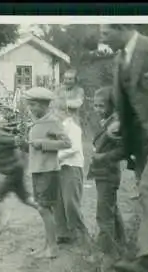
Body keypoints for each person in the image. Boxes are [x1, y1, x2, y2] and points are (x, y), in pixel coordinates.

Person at [100, 23, 148, 272]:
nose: (102, 38)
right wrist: (117, 122)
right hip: (140, 144)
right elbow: (125, 102)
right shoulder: (119, 60)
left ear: (122, 27)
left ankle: (144, 260)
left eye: (106, 33)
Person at [23, 87, 72, 259]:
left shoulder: (53, 121)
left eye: (33, 105)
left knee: (44, 208)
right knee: (45, 209)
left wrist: (43, 143)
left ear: (44, 105)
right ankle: (46, 246)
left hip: (48, 171)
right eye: (29, 105)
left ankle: (53, 247)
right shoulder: (38, 122)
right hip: (38, 170)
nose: (30, 109)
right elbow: (33, 146)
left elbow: (67, 143)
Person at [0, 111, 39, 239]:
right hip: (13, 171)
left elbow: (20, 144)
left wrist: (32, 149)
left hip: (12, 172)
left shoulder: (4, 138)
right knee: (25, 198)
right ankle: (46, 209)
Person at [87, 87, 127, 259]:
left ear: (112, 105)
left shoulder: (115, 125)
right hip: (103, 173)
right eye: (95, 105)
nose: (97, 110)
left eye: (101, 106)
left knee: (103, 214)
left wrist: (101, 157)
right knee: (111, 208)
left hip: (108, 173)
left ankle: (105, 252)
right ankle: (121, 243)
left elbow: (123, 150)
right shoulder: (107, 122)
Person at [51, 91, 90, 247]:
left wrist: (55, 156)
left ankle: (81, 233)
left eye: (55, 111)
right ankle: (63, 233)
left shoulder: (72, 127)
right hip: (60, 167)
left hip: (72, 167)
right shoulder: (58, 128)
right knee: (58, 201)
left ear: (64, 112)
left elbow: (73, 149)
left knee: (70, 202)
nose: (53, 114)